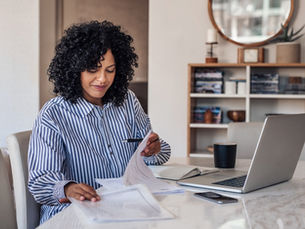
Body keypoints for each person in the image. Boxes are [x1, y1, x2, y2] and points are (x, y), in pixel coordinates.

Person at [28, 20, 171, 224]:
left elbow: (152, 157)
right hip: (72, 216)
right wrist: (68, 189)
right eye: (93, 69)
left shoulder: (128, 101)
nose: (102, 79)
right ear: (74, 69)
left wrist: (154, 149)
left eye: (110, 70)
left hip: (124, 211)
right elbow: (40, 182)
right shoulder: (53, 114)